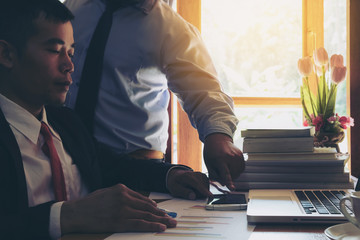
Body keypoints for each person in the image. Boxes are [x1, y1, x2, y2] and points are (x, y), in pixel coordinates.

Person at [0, 1, 211, 239]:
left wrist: (171, 176)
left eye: (71, 52)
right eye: (54, 50)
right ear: (7, 54)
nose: (70, 65)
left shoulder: (64, 124)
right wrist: (67, 215)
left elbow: (113, 168)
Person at [64, 0, 245, 190]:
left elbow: (204, 92)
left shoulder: (171, 28)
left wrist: (219, 137)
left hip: (138, 174)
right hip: (65, 160)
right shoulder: (72, 8)